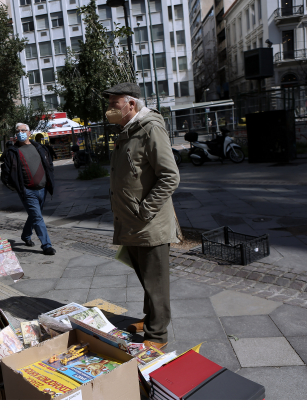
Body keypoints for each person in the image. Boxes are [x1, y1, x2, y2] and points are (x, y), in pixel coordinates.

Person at [103, 82, 180, 350]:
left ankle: (157, 335)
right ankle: (150, 319)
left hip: (149, 223)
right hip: (132, 222)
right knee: (145, 278)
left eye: (114, 104)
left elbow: (170, 176)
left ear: (131, 104)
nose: (109, 109)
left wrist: (145, 210)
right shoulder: (128, 130)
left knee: (156, 282)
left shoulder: (150, 129)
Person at [1, 123, 56, 255]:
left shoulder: (40, 148)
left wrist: (49, 179)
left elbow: (49, 165)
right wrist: (18, 188)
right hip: (27, 191)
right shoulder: (12, 152)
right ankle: (46, 245)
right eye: (18, 131)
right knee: (37, 217)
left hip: (42, 188)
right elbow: (6, 174)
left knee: (34, 215)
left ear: (29, 133)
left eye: (23, 130)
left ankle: (26, 236)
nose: (20, 132)